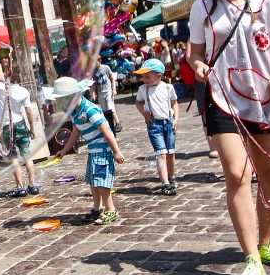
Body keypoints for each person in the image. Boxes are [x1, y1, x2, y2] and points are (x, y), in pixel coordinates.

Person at [187, 0, 270, 275]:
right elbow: (195, 53)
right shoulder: (202, 7)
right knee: (236, 174)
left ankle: (265, 246)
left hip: (264, 98)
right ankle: (250, 258)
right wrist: (199, 66)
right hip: (222, 98)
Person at [50, 77, 125, 225]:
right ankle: (98, 209)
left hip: (102, 149)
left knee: (102, 181)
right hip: (93, 150)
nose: (60, 104)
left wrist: (116, 151)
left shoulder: (89, 110)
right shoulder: (75, 112)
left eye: (61, 100)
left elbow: (106, 130)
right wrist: (64, 150)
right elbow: (75, 132)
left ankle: (111, 210)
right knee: (93, 180)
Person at [0, 59, 38, 198]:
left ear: (7, 74)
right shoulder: (23, 91)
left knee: (14, 158)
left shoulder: (2, 88)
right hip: (20, 124)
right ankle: (32, 184)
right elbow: (28, 111)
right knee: (27, 155)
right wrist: (32, 128)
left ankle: (20, 187)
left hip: (7, 127)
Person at [134, 58, 179, 196]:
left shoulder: (167, 87)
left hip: (168, 122)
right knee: (161, 153)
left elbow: (174, 103)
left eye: (147, 76)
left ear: (159, 75)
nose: (144, 79)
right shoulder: (143, 89)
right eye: (143, 77)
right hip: (154, 125)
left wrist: (176, 119)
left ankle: (171, 177)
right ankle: (164, 183)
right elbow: (138, 103)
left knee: (170, 153)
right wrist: (145, 114)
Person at [92, 55, 123, 134]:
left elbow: (112, 78)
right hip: (100, 92)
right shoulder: (94, 71)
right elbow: (94, 83)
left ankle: (117, 123)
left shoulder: (106, 68)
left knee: (110, 107)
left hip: (108, 90)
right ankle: (109, 124)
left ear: (99, 60)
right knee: (104, 109)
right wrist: (94, 93)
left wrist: (114, 88)